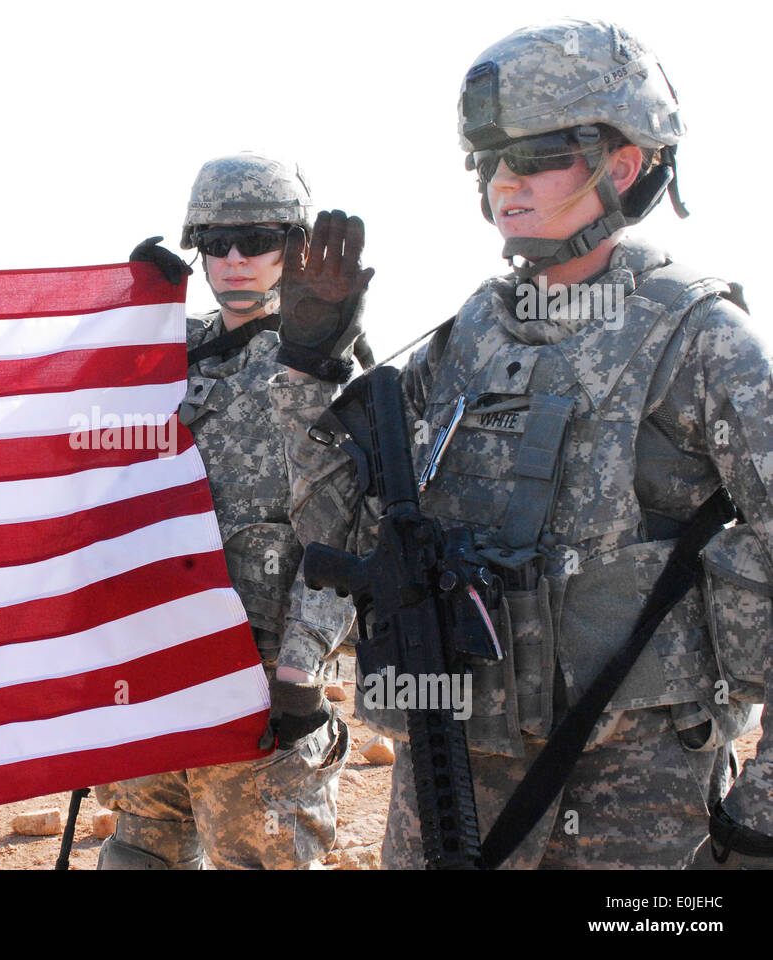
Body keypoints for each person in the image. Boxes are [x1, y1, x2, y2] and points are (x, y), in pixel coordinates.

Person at [273, 19, 773, 869]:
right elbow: (338, 531)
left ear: (624, 164)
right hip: (452, 773)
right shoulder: (466, 335)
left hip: (637, 793)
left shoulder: (702, 339)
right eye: (491, 160)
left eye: (538, 155)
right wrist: (308, 365)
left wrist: (763, 811)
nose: (506, 182)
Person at [94, 152, 352, 869]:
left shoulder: (321, 370)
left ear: (294, 248)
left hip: (258, 682)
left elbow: (343, 537)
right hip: (155, 666)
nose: (235, 259)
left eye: (258, 240)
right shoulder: (168, 356)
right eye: (215, 243)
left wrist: (300, 675)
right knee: (139, 855)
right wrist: (125, 312)